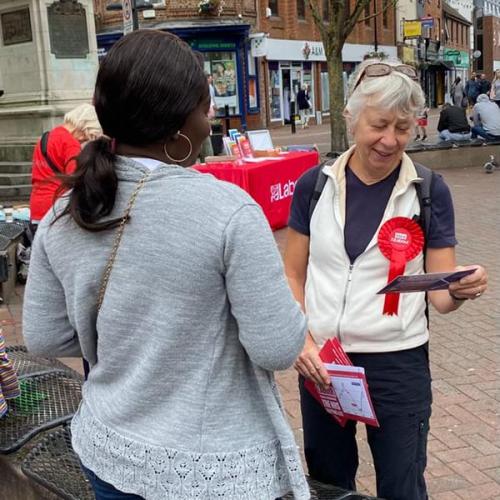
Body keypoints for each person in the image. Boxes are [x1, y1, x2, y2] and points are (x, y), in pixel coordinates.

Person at [23, 30, 310, 500]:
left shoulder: (66, 210)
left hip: (107, 449)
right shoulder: (227, 210)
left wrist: (124, 330)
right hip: (212, 470)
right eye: (205, 106)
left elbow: (44, 336)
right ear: (182, 123)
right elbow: (277, 347)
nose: (210, 117)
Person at [284, 59, 488, 500]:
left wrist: (460, 287)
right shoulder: (312, 186)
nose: (390, 140)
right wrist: (302, 341)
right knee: (328, 482)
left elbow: (440, 295)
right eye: (379, 125)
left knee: (401, 485)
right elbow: (292, 273)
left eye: (402, 127)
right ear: (352, 118)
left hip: (398, 363)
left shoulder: (428, 190)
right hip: (324, 362)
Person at [29, 103, 101, 231]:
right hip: (57, 210)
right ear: (83, 127)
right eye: (85, 137)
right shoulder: (70, 144)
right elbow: (76, 180)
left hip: (36, 207)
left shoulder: (45, 138)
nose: (83, 142)